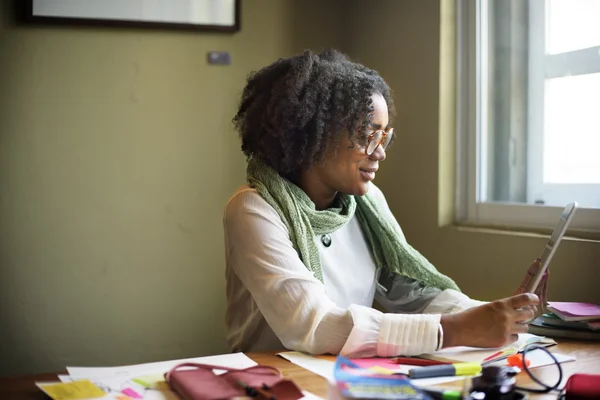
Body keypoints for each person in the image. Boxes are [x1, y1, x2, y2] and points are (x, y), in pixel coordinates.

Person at [223, 49, 542, 357]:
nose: (380, 152)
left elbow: (403, 290)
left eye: (384, 136)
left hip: (335, 372)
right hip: (269, 381)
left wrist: (495, 314)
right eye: (367, 136)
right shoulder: (253, 210)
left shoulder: (368, 202)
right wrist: (453, 330)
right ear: (312, 135)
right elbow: (314, 325)